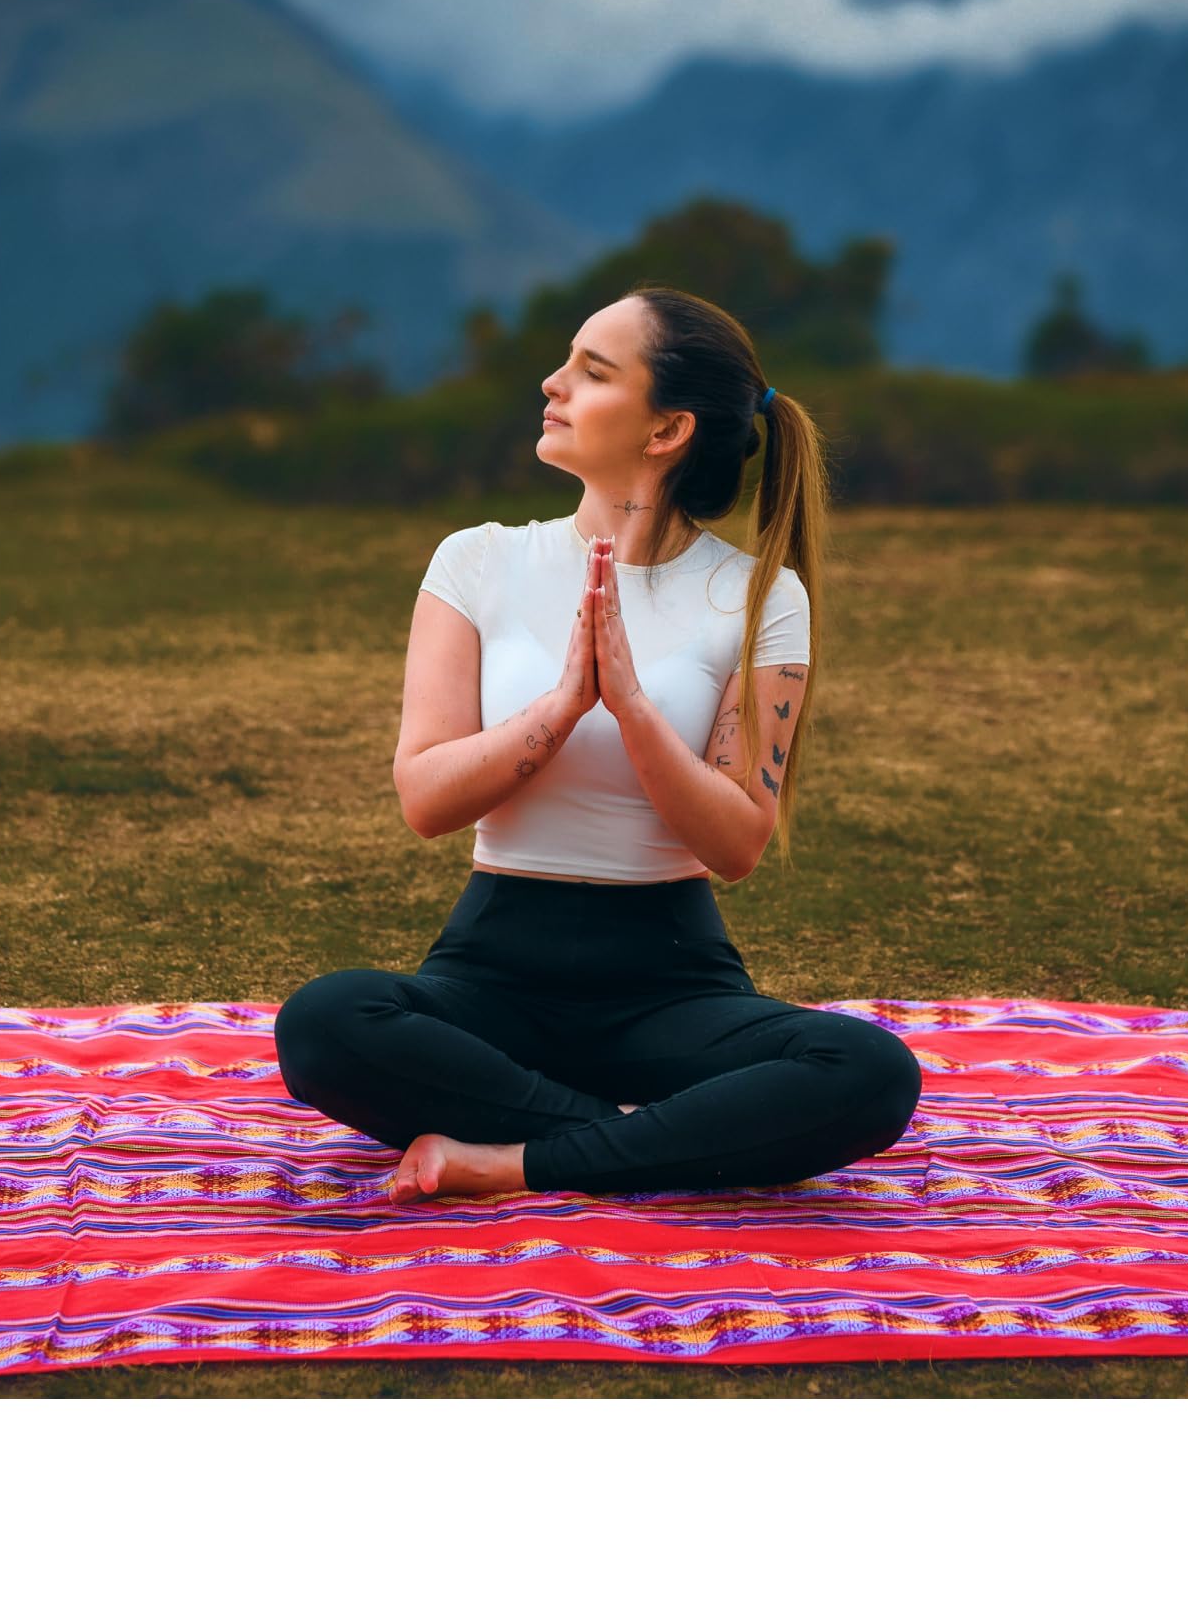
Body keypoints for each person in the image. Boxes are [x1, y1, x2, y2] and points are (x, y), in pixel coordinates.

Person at [272, 285, 922, 1202]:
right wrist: (562, 706)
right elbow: (425, 798)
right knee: (325, 1022)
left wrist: (634, 709)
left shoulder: (761, 598)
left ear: (665, 431)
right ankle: (643, 1143)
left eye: (592, 370)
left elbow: (736, 844)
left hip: (671, 982)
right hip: (492, 969)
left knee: (869, 1072)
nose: (553, 382)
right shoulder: (478, 562)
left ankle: (512, 1158)